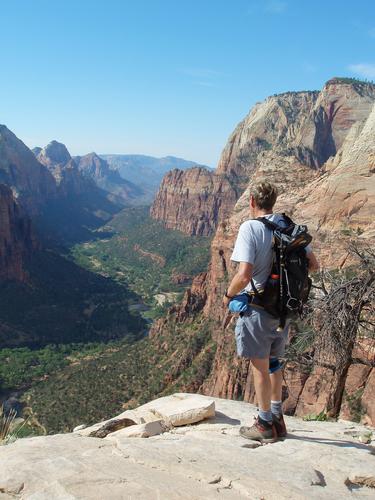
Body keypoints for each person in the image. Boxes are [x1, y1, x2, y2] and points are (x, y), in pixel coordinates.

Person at [222, 182, 319, 443]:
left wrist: (229, 295)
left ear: (252, 201)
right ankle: (277, 417)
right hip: (284, 311)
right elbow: (313, 265)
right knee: (275, 364)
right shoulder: (288, 226)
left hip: (258, 309)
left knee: (259, 367)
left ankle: (264, 424)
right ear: (274, 201)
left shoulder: (250, 227)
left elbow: (243, 275)